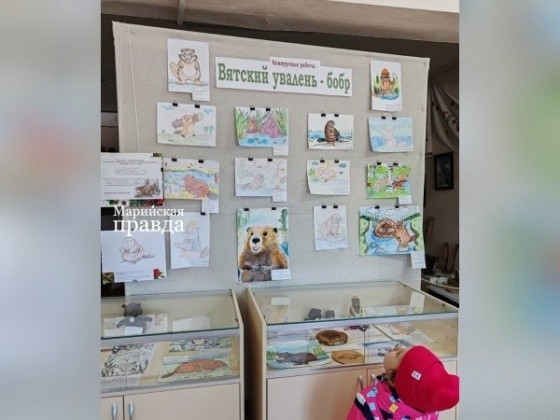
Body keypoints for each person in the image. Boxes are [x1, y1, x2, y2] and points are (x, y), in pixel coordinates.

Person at [346, 345, 459, 420]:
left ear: (394, 379)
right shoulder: (431, 409)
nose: (399, 347)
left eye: (398, 353)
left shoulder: (367, 401)